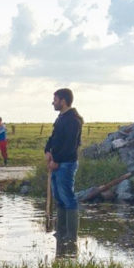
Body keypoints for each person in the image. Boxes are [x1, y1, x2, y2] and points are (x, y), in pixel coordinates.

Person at [44, 88, 84, 256]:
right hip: (57, 163)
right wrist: (47, 150)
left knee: (68, 198)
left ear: (64, 101)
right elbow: (54, 138)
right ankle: (61, 233)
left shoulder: (74, 120)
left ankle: (71, 236)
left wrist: (56, 161)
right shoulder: (61, 118)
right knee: (59, 198)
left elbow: (70, 145)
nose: (53, 102)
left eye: (55, 99)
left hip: (66, 164)